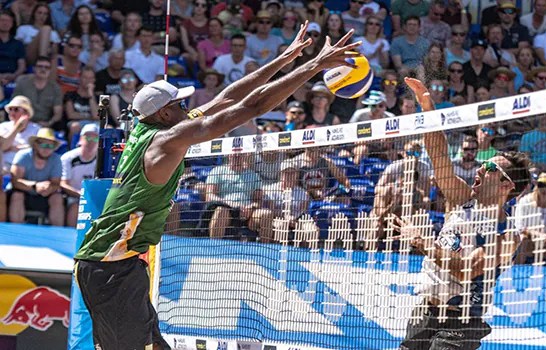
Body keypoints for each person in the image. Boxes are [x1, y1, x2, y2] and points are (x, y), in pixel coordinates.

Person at [73, 23, 360, 350]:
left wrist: (286, 58)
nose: (187, 108)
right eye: (180, 105)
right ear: (165, 114)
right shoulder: (166, 141)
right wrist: (313, 67)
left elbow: (228, 97)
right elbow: (249, 109)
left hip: (119, 266)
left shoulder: (153, 128)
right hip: (110, 270)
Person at [399, 77, 531, 350]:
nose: (481, 169)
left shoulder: (507, 236)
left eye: (491, 168)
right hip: (425, 310)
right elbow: (439, 158)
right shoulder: (462, 200)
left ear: (508, 186)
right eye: (483, 164)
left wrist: (423, 242)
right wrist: (427, 105)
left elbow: (465, 270)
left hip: (462, 321)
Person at [8, 127, 64, 226]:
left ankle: (57, 233)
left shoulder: (56, 159)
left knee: (57, 198)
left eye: (50, 146)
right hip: (23, 193)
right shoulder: (23, 156)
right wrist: (35, 186)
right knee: (17, 196)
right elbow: (15, 181)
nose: (47, 149)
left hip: (44, 196)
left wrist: (49, 188)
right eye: (43, 145)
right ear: (35, 145)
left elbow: (56, 184)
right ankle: (15, 231)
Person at [61, 123, 97, 227]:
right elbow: (63, 184)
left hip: (94, 197)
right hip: (73, 196)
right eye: (88, 138)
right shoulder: (68, 158)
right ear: (81, 139)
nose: (91, 142)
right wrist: (80, 194)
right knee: (77, 207)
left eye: (95, 139)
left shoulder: (102, 160)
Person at [13, 56, 63, 128]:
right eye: (40, 66)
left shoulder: (56, 88)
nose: (43, 69)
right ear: (34, 68)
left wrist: (48, 123)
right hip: (22, 123)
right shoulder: (23, 83)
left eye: (47, 67)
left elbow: (58, 114)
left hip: (44, 125)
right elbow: (14, 105)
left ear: (50, 70)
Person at [515, 172, 546, 265]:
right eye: (542, 185)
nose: (545, 189)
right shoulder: (525, 201)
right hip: (530, 240)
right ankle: (517, 271)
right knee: (522, 239)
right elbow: (519, 227)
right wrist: (539, 235)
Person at [0, 96, 41, 171]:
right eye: (10, 109)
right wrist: (16, 128)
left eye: (16, 109)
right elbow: (3, 147)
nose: (12, 112)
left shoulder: (36, 129)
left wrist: (15, 148)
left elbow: (39, 149)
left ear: (26, 113)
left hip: (27, 167)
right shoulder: (3, 126)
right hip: (6, 166)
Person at [64, 66, 99, 143]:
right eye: (85, 77)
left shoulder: (97, 97)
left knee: (108, 128)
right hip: (77, 123)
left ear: (94, 80)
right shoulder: (70, 95)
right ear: (79, 78)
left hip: (94, 123)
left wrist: (91, 95)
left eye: (90, 78)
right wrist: (89, 117)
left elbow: (96, 116)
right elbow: (71, 115)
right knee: (75, 127)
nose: (88, 81)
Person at [0, 9, 26, 86]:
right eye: (2, 20)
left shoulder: (18, 44)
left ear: (12, 23)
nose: (5, 23)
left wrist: (13, 76)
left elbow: (22, 66)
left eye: (8, 21)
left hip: (13, 78)